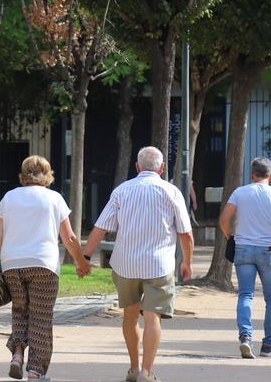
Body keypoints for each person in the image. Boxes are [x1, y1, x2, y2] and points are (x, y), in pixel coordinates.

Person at [80, 147, 193, 382]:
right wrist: (187, 263)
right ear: (161, 168)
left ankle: (133, 368)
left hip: (125, 265)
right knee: (153, 318)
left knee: (130, 316)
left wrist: (86, 257)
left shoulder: (122, 191)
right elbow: (186, 233)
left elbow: (101, 227)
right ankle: (147, 372)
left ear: (137, 166)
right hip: (159, 265)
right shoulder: (171, 192)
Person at [0, 155, 86, 381]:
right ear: (47, 174)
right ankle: (36, 371)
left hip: (12, 265)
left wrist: (11, 248)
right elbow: (69, 237)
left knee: (20, 310)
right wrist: (81, 262)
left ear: (24, 174)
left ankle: (17, 355)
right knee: (41, 317)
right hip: (44, 265)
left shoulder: (9, 197)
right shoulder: (55, 199)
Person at [218, 157, 271, 359]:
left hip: (243, 248)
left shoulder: (240, 193)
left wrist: (230, 236)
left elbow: (224, 220)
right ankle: (268, 344)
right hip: (268, 251)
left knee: (246, 294)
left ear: (252, 175)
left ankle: (245, 337)